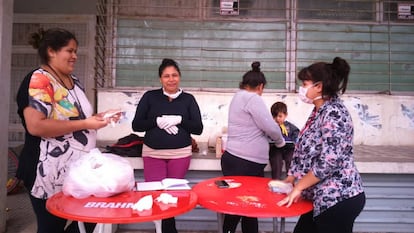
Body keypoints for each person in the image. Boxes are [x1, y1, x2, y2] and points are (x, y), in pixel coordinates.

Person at [16, 28, 119, 233]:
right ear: (52, 51)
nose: (75, 56)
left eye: (75, 51)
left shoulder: (74, 82)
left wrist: (99, 118)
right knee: (52, 227)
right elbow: (36, 126)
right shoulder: (40, 80)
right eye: (69, 51)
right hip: (46, 172)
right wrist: (85, 124)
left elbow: (78, 119)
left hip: (76, 172)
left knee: (89, 220)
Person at [277, 57, 365, 233]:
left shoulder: (334, 113)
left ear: (319, 86)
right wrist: (291, 178)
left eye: (305, 83)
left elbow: (327, 163)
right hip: (321, 197)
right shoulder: (319, 110)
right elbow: (305, 148)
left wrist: (299, 187)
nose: (301, 88)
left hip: (338, 198)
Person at [131, 58, 203, 233]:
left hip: (180, 154)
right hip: (153, 153)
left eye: (174, 75)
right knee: (156, 195)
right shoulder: (150, 97)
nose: (171, 79)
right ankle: (164, 230)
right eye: (166, 76)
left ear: (180, 77)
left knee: (170, 197)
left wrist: (180, 120)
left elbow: (198, 128)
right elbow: (137, 125)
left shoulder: (188, 99)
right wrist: (156, 121)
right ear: (160, 79)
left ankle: (168, 230)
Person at [220, 61, 285, 233]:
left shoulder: (238, 96)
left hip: (235, 159)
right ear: (261, 86)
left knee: (243, 206)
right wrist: (280, 142)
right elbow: (270, 126)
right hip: (246, 162)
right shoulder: (252, 98)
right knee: (244, 206)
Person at [268, 101, 299, 180]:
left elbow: (296, 134)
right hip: (276, 148)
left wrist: (294, 141)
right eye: (275, 117)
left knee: (290, 159)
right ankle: (276, 180)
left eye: (280, 116)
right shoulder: (271, 126)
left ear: (285, 115)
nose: (277, 119)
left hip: (288, 148)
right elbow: (267, 136)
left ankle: (290, 180)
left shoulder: (289, 126)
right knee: (276, 161)